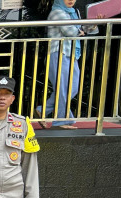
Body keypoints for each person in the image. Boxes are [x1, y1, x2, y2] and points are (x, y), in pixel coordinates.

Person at [41, 0, 100, 129]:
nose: (71, 0)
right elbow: (72, 32)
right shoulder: (57, 12)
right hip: (59, 53)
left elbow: (84, 30)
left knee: (72, 88)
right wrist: (81, 30)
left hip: (71, 54)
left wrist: (94, 23)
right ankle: (61, 121)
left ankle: (42, 110)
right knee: (63, 89)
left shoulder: (74, 12)